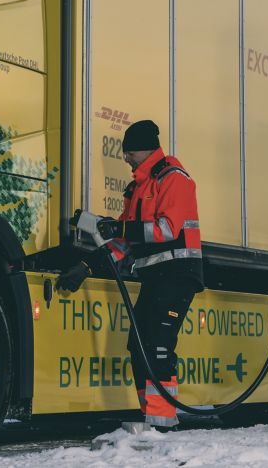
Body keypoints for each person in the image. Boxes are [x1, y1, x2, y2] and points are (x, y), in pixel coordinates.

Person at [58, 119, 203, 428]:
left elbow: (167, 229)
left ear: (144, 150)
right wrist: (85, 267)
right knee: (139, 344)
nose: (125, 158)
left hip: (178, 274)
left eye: (129, 153)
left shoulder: (173, 179)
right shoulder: (138, 189)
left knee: (157, 343)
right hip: (155, 278)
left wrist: (121, 227)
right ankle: (151, 417)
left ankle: (162, 422)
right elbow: (123, 243)